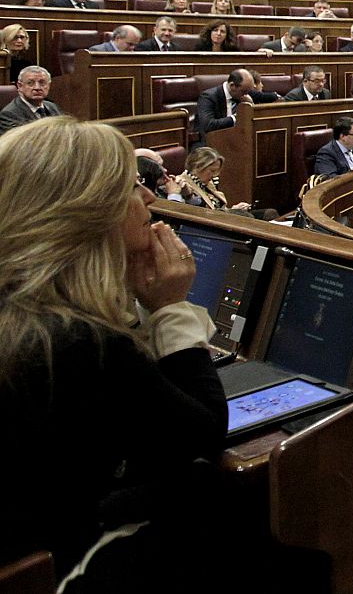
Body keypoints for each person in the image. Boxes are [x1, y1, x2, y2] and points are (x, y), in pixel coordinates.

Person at [0, 118, 227, 588]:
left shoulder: (23, 310)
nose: (148, 198)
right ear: (86, 213)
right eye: (132, 186)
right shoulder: (73, 341)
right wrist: (170, 308)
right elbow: (200, 435)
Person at [175, 146, 255, 215]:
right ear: (198, 167)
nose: (215, 175)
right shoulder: (182, 184)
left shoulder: (206, 183)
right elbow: (206, 214)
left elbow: (217, 207)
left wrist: (233, 209)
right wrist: (231, 212)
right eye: (212, 171)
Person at [0, 66, 62, 132]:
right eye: (30, 83)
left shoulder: (52, 107)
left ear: (49, 85)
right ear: (20, 86)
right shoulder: (9, 114)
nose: (37, 88)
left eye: (42, 83)